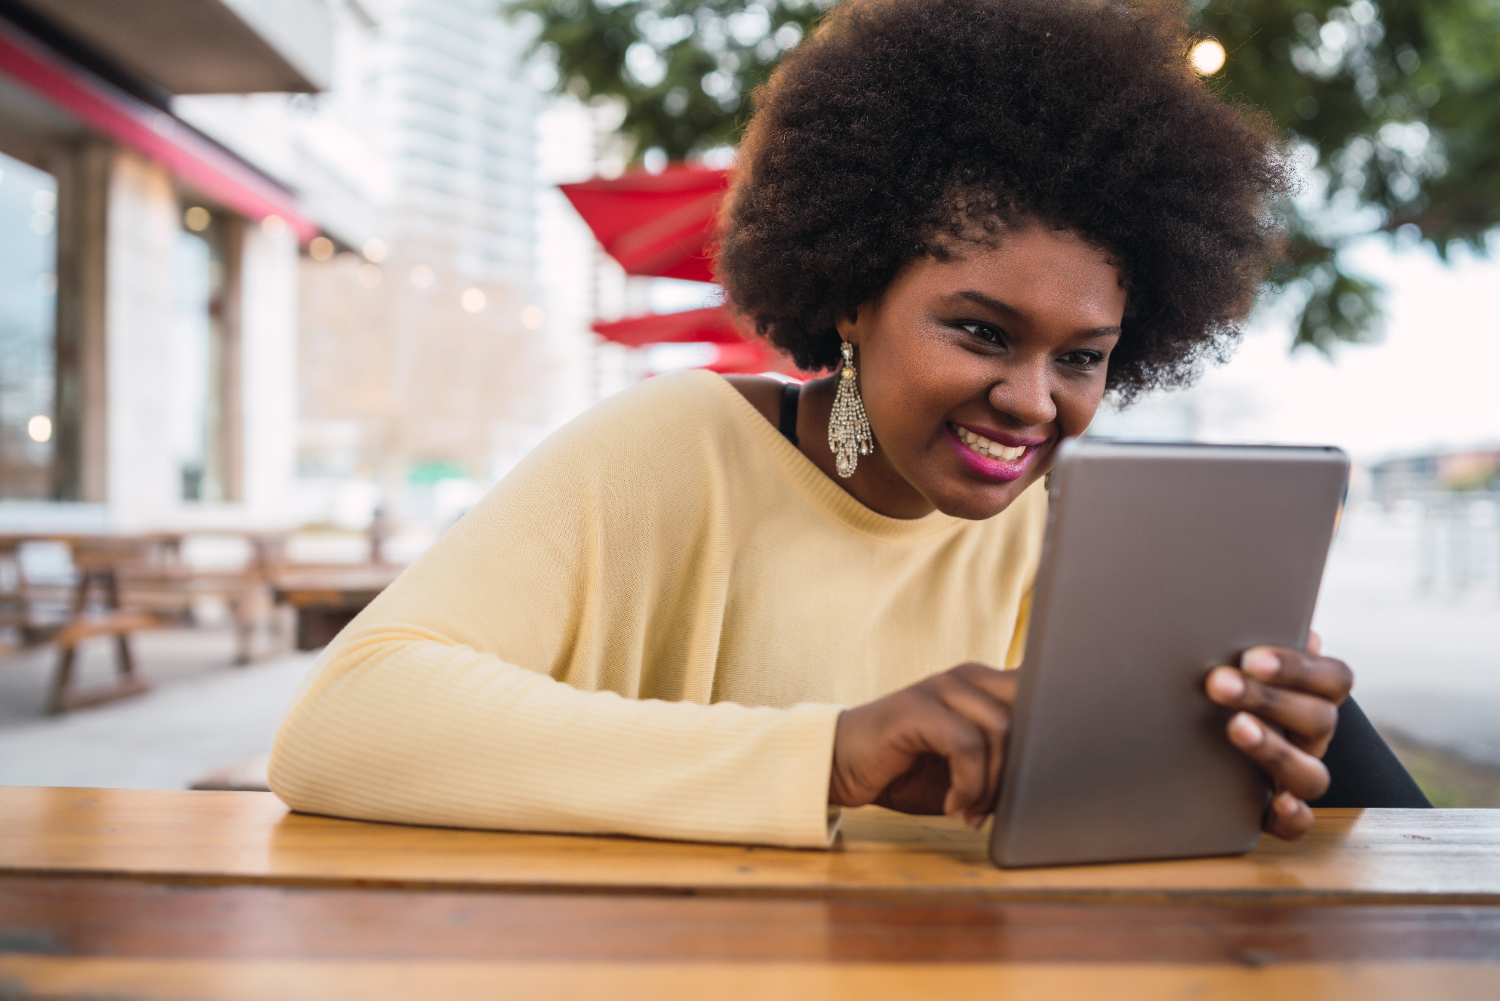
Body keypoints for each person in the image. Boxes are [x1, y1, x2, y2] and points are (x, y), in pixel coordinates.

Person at [269, 0, 1417, 849]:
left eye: (1081, 358)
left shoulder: (1078, 536)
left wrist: (1279, 780)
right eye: (978, 330)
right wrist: (829, 750)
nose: (1033, 400)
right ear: (852, 295)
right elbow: (343, 720)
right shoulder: (674, 450)